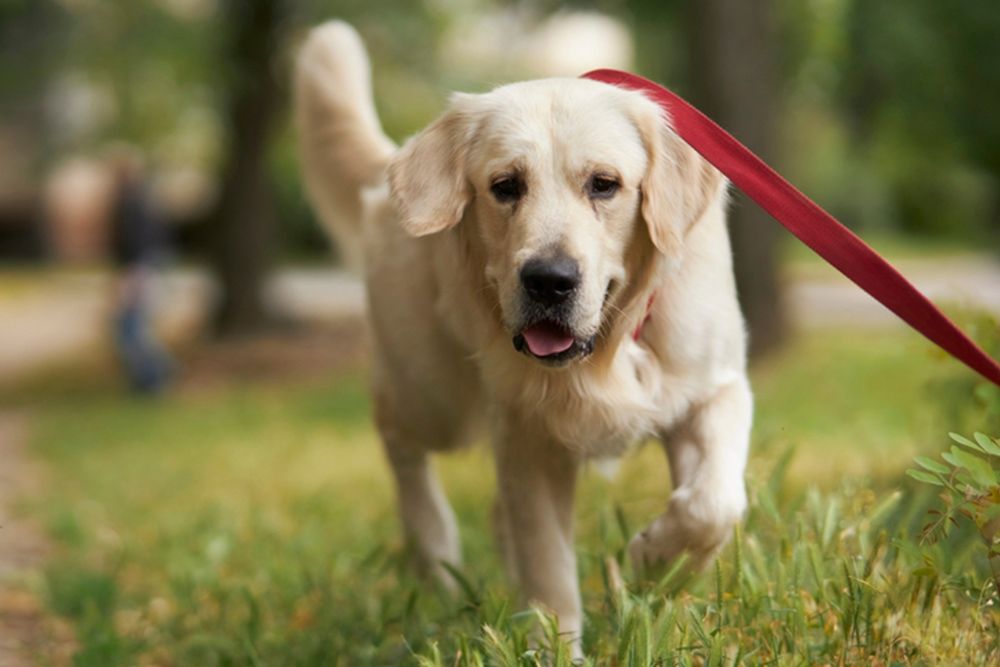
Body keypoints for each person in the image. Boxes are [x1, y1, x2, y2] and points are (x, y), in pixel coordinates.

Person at [108, 150, 173, 394]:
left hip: (136, 271)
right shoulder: (143, 201)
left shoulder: (131, 204)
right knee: (133, 327)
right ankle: (157, 371)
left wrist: (130, 276)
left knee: (130, 329)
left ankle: (154, 375)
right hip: (142, 269)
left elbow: (134, 245)